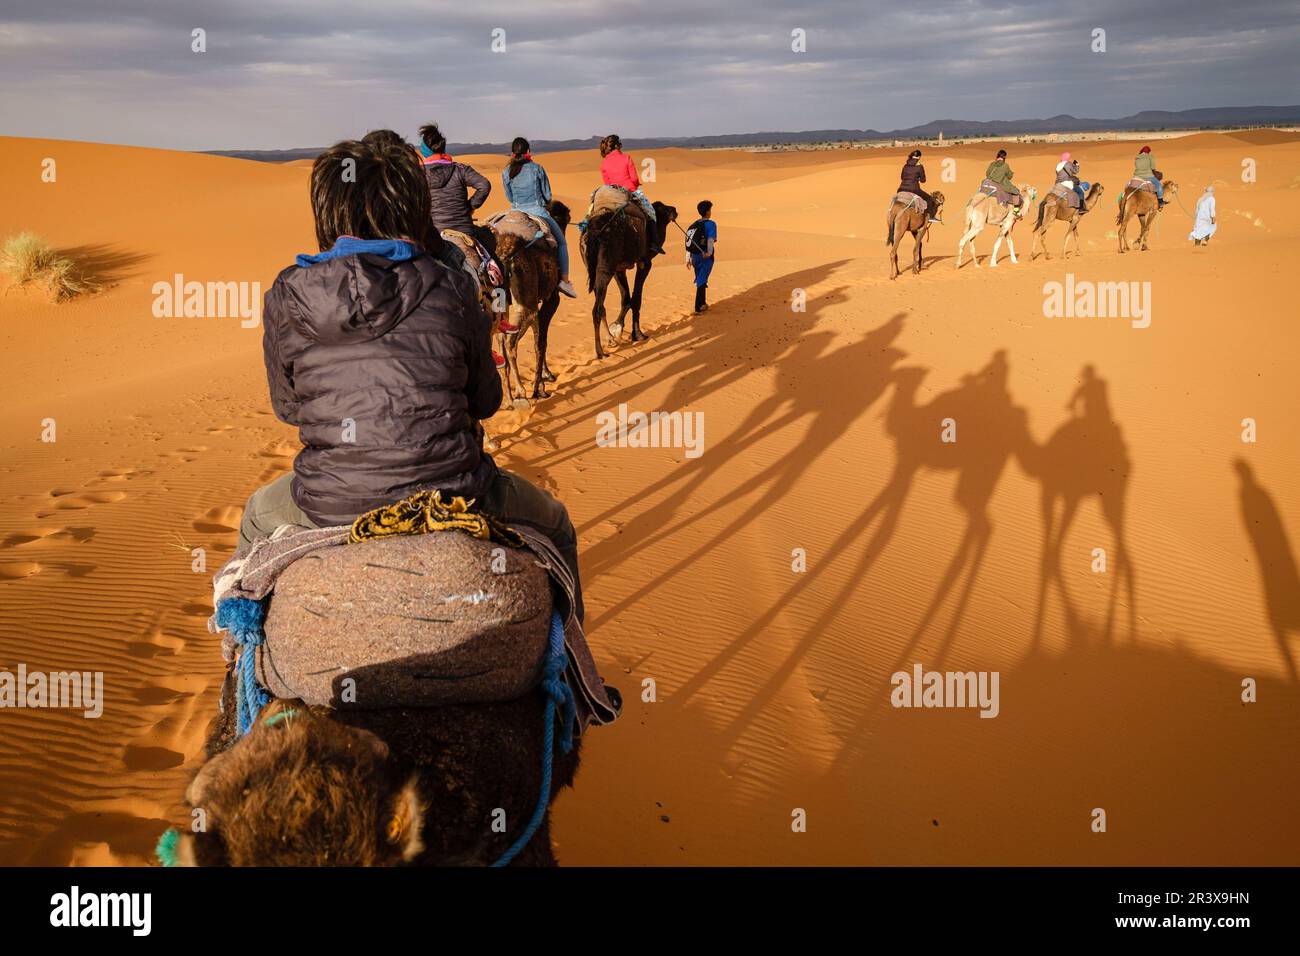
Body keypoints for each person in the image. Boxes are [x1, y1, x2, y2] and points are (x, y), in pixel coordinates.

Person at [238, 134, 585, 622]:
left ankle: (238, 666)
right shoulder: (455, 285)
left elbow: (289, 408)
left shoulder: (286, 294)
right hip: (457, 493)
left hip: (327, 500)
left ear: (326, 210)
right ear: (412, 204)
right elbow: (486, 400)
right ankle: (574, 663)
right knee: (558, 526)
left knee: (256, 517)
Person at [501, 137, 576, 298]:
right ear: (528, 151)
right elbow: (548, 195)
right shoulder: (537, 168)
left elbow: (509, 197)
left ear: (513, 153)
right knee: (562, 243)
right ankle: (564, 281)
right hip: (537, 211)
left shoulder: (506, 172)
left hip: (515, 213)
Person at [598, 134, 664, 254]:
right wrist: (636, 184)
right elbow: (633, 179)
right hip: (629, 191)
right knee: (651, 212)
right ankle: (654, 243)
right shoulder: (626, 158)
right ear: (617, 146)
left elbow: (607, 183)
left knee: (594, 208)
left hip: (612, 194)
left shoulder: (604, 163)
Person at [685, 200, 717, 313]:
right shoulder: (710, 224)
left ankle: (702, 303)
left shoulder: (693, 224)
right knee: (702, 280)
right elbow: (710, 239)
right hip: (704, 257)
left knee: (701, 279)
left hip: (694, 257)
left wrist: (687, 258)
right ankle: (698, 307)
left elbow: (689, 241)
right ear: (708, 211)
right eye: (710, 210)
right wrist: (708, 253)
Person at [898, 149, 939, 223]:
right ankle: (931, 217)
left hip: (901, 189)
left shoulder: (905, 166)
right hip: (914, 189)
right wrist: (919, 178)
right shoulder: (919, 166)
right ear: (919, 157)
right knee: (929, 199)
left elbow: (902, 177)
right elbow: (923, 180)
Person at [984, 148, 1022, 213]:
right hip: (999, 184)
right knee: (1016, 192)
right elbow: (1009, 176)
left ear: (997, 156)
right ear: (1004, 157)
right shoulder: (1005, 165)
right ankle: (1016, 211)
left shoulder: (992, 164)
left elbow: (987, 173)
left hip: (988, 183)